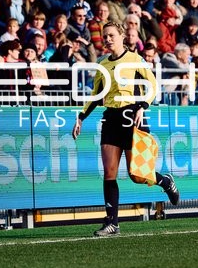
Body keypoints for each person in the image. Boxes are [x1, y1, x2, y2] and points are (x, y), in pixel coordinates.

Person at [72, 22, 180, 237]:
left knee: (138, 175)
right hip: (111, 117)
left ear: (122, 36)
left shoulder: (135, 59)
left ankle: (165, 181)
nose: (108, 39)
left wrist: (143, 106)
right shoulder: (102, 63)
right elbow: (96, 93)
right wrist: (81, 117)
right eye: (105, 36)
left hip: (133, 115)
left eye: (112, 35)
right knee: (109, 173)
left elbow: (152, 85)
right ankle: (112, 223)